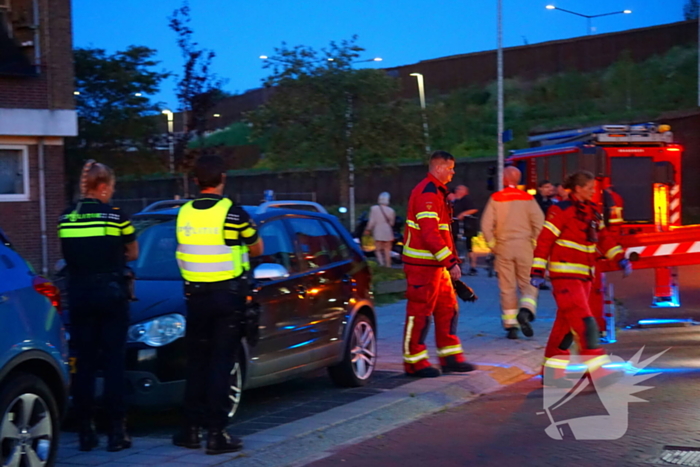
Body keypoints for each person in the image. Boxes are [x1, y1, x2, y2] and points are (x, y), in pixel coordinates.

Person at [172, 155, 264, 455]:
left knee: (197, 363)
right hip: (226, 298)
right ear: (222, 178)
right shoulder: (232, 213)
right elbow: (257, 247)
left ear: (196, 181)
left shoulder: (184, 212)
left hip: (195, 297)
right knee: (221, 365)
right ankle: (216, 433)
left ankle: (190, 429)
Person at [58, 160, 138, 452]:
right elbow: (132, 251)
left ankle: (85, 432)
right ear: (103, 187)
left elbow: (69, 253)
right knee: (114, 362)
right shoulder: (115, 217)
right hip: (111, 294)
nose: (111, 193)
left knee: (85, 365)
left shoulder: (66, 218)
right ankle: (117, 432)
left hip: (79, 295)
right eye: (111, 188)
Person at [530, 171, 632, 387]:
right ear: (577, 188)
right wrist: (537, 271)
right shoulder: (561, 210)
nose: (594, 191)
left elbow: (604, 238)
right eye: (589, 188)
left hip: (584, 277)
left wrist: (620, 258)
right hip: (565, 276)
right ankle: (598, 372)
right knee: (586, 323)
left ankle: (552, 372)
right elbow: (545, 240)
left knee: (564, 326)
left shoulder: (593, 212)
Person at [401, 150, 476, 377]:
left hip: (435, 265)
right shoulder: (427, 193)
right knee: (420, 312)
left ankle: (450, 356)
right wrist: (450, 261)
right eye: (450, 168)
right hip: (422, 266)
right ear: (439, 168)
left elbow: (441, 232)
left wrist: (449, 262)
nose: (453, 172)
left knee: (447, 309)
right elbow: (430, 233)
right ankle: (414, 361)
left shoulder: (437, 193)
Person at [481, 166, 544, 340]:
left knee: (507, 287)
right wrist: (534, 244)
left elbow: (486, 226)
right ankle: (525, 310)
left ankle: (511, 327)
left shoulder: (496, 199)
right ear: (518, 179)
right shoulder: (528, 199)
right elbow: (539, 223)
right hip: (525, 246)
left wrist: (494, 246)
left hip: (503, 247)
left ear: (504, 179)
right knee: (528, 283)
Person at [451, 185, 479, 276]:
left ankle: (473, 267)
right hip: (456, 226)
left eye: (459, 189)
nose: (457, 190)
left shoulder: (467, 200)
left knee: (468, 246)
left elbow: (474, 209)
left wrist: (463, 214)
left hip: (467, 226)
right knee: (455, 245)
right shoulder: (454, 200)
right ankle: (457, 265)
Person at [364, 192, 396, 267]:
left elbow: (372, 221)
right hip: (388, 232)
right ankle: (388, 265)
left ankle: (381, 264)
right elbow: (392, 223)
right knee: (387, 250)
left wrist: (368, 229)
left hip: (378, 231)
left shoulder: (374, 209)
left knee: (378, 249)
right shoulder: (391, 210)